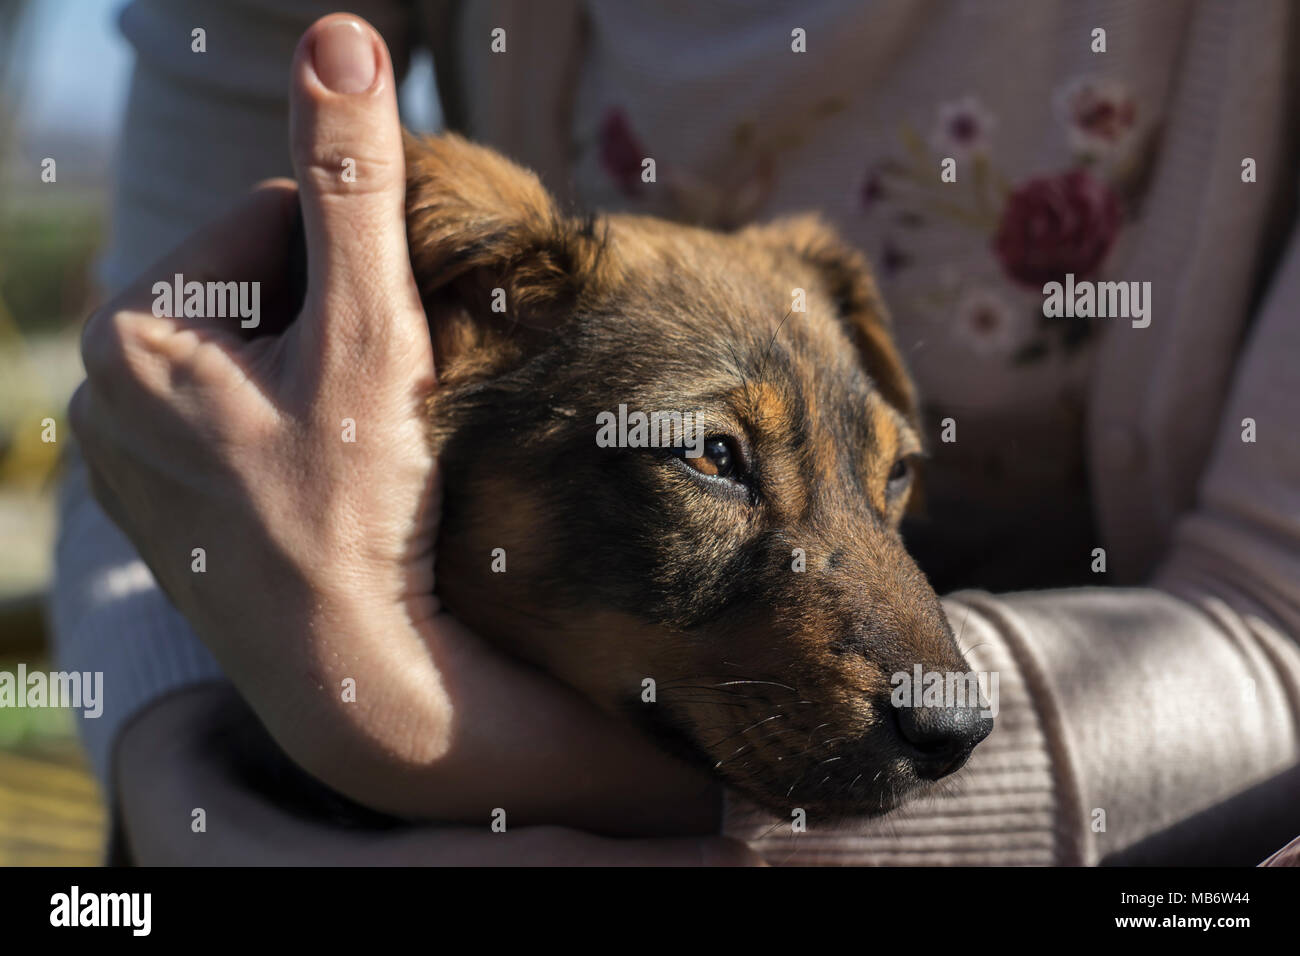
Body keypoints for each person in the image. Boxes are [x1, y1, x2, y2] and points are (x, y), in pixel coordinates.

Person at [55, 2, 1300, 865]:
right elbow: (157, 421)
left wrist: (406, 736)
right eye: (713, 458)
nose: (940, 686)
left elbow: (1278, 638)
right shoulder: (489, 282)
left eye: (890, 483)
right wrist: (178, 785)